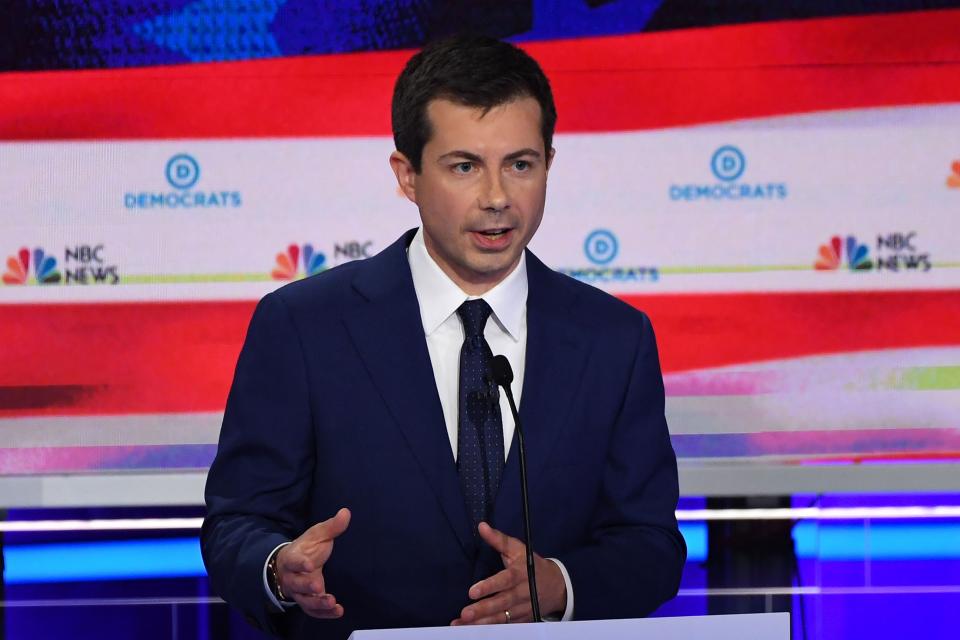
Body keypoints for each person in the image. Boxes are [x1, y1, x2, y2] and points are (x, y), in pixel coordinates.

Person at [202, 34, 686, 639]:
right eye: (465, 166)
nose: (497, 199)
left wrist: (562, 583)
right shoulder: (304, 326)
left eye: (520, 164)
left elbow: (651, 545)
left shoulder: (614, 339)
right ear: (408, 176)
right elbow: (237, 523)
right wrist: (278, 569)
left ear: (548, 166)